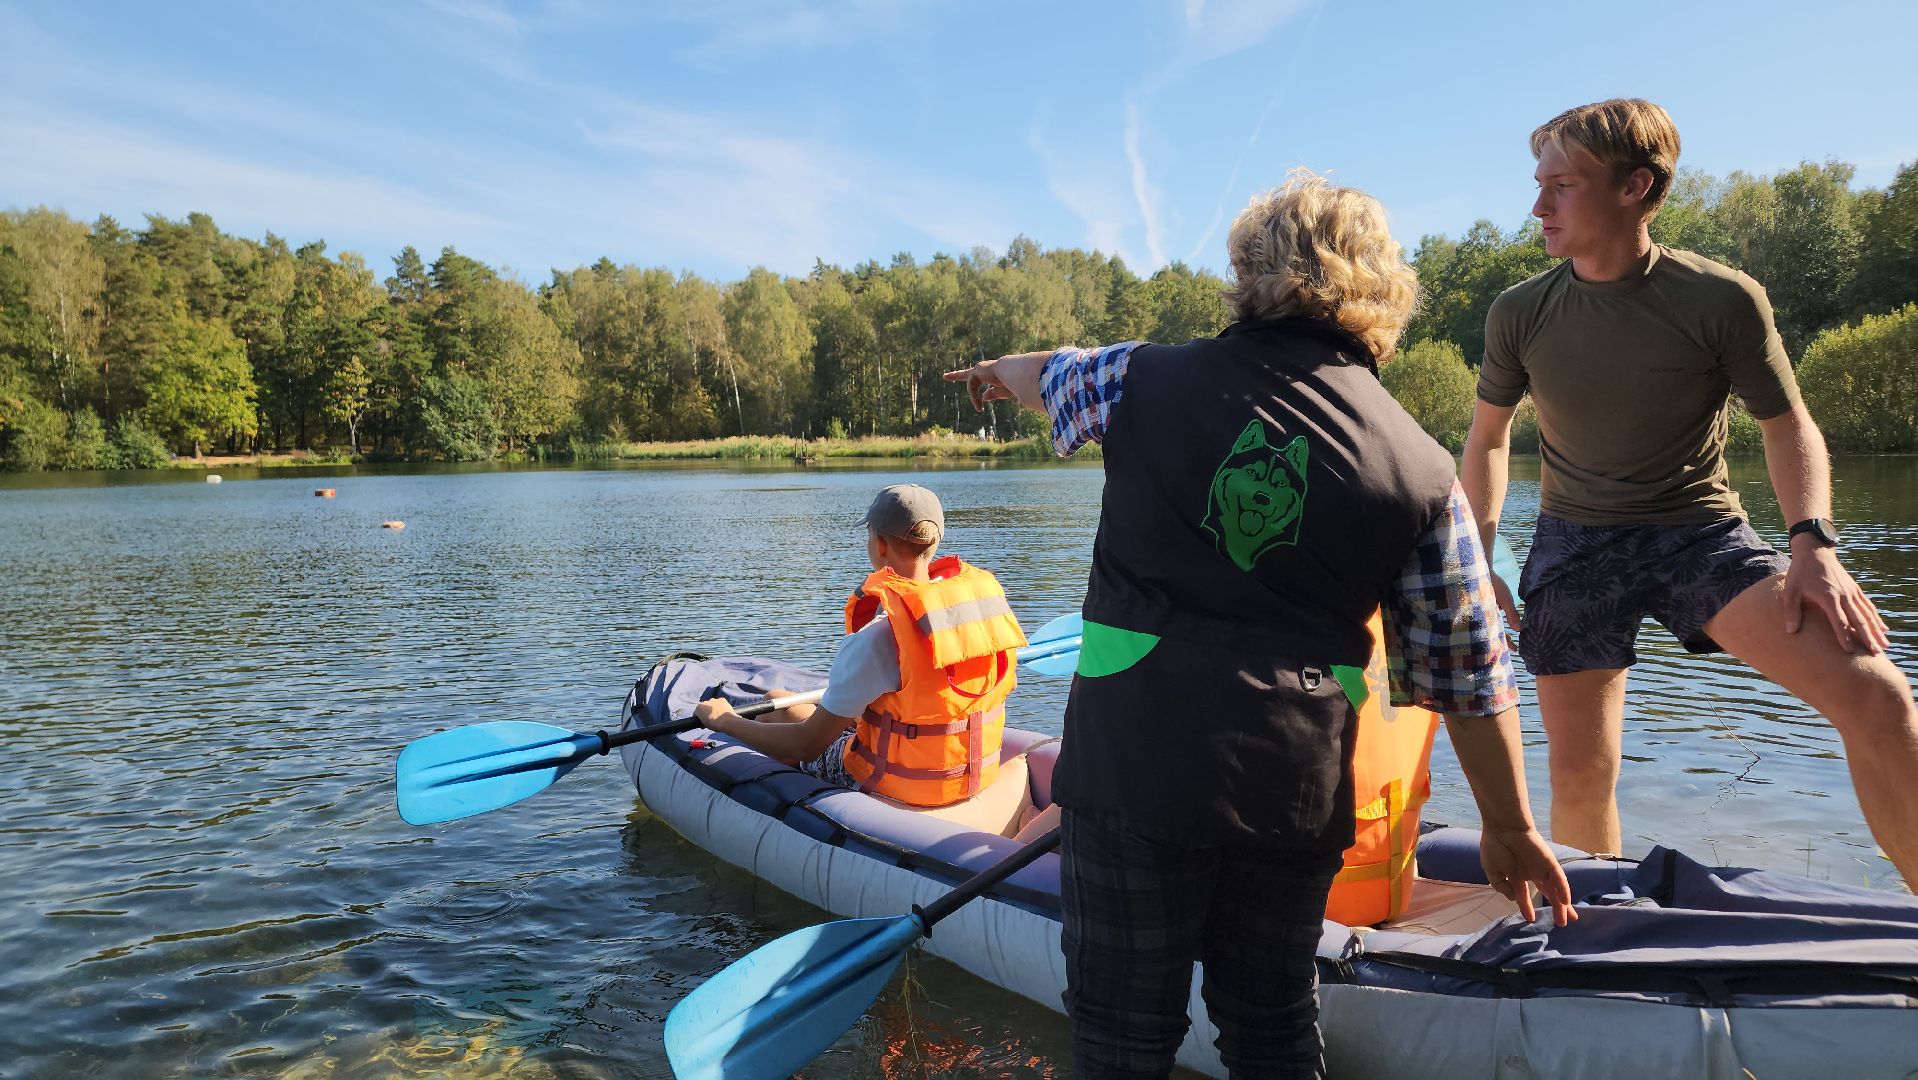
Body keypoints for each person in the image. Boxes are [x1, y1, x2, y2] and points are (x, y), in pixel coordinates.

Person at [945, 170, 1575, 1079]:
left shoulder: (1130, 377)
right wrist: (1510, 826)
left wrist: (995, 378)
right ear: (1383, 293)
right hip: (1292, 784)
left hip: (1134, 769)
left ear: (1249, 271)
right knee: (1273, 1027)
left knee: (1121, 1040)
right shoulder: (1423, 467)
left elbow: (1046, 374)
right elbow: (1470, 671)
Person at [1460, 98, 1918, 888]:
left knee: (1877, 695)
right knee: (1578, 777)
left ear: (1636, 186)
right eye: (1540, 184)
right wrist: (1483, 556)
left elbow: (1789, 425)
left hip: (1698, 536)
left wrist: (1813, 542)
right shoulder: (1519, 312)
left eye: (1563, 185)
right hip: (1575, 545)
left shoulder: (1721, 299)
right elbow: (1490, 438)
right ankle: (1598, 949)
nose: (1538, 206)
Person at [692, 484, 1028, 808]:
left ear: (880, 545)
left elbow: (808, 745)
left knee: (775, 703)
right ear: (934, 543)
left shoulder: (875, 638)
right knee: (782, 703)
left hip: (894, 783)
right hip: (962, 771)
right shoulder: (977, 616)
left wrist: (724, 721)